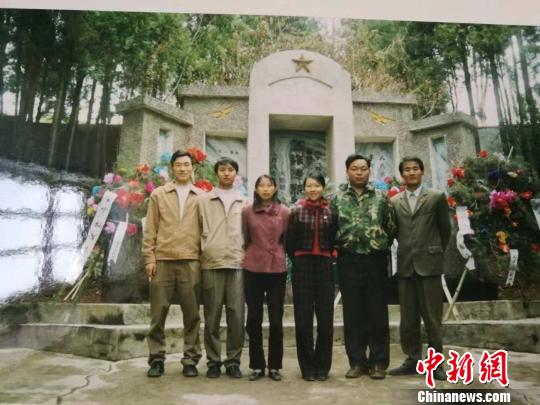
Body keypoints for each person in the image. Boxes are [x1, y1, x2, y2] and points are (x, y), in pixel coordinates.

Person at [330, 153, 396, 380]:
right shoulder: (336, 199)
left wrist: (377, 244)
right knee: (353, 313)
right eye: (354, 169)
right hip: (348, 260)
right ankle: (357, 362)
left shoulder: (382, 198)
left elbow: (391, 227)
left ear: (369, 171)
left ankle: (379, 363)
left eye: (363, 168)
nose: (359, 172)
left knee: (377, 312)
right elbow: (332, 228)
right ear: (347, 171)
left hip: (375, 260)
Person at [142, 150, 204, 378]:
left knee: (192, 314)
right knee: (158, 313)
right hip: (163, 260)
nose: (183, 168)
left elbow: (205, 230)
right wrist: (149, 258)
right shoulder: (159, 194)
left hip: (191, 260)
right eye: (178, 164)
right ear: (172, 168)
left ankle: (190, 360)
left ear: (193, 168)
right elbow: (150, 229)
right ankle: (156, 359)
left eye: (187, 164)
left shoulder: (201, 196)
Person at [388, 156, 451, 381]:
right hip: (406, 266)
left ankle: (436, 364)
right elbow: (393, 232)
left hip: (429, 265)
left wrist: (433, 251)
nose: (411, 172)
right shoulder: (394, 202)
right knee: (408, 318)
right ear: (402, 175)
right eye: (407, 169)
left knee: (433, 317)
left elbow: (445, 230)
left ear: (422, 172)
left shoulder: (436, 197)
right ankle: (412, 359)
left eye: (415, 168)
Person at [198, 157, 248, 379]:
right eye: (222, 169)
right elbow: (197, 229)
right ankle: (213, 362)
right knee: (212, 315)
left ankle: (233, 361)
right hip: (212, 262)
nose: (226, 173)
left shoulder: (244, 202)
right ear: (216, 173)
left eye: (230, 170)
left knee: (237, 315)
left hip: (237, 262)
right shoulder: (204, 200)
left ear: (236, 174)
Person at [286, 173, 337, 382]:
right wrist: (298, 256)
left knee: (325, 317)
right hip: (302, 264)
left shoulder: (331, 211)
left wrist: (330, 254)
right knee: (303, 317)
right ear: (304, 188)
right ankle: (307, 366)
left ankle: (323, 366)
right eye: (309, 186)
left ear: (323, 188)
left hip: (325, 264)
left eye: (316, 185)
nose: (313, 189)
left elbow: (335, 236)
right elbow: (289, 240)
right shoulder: (296, 210)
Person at [242, 175, 290, 381]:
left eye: (269, 185)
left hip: (276, 269)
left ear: (275, 188)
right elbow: (245, 237)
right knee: (253, 319)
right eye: (261, 185)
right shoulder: (247, 211)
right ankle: (257, 365)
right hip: (253, 268)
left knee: (276, 320)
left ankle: (274, 366)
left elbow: (287, 239)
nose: (265, 189)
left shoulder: (285, 212)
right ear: (256, 189)